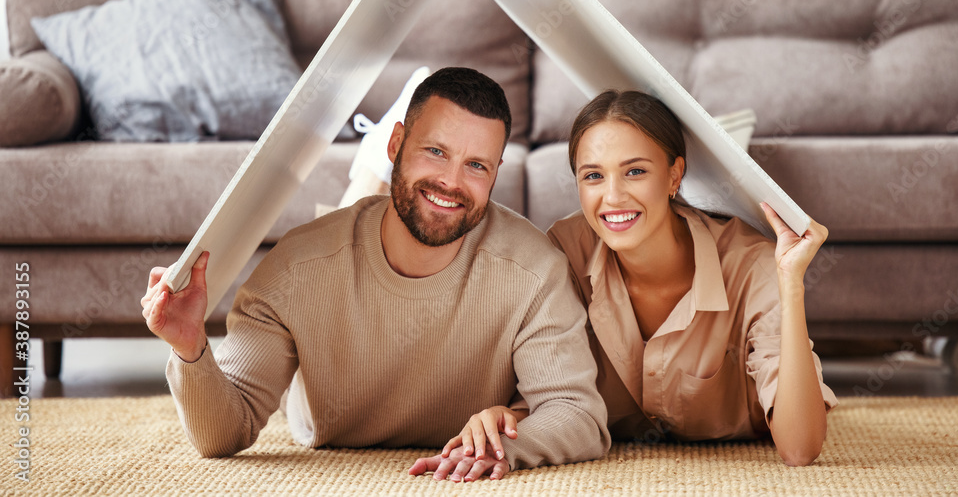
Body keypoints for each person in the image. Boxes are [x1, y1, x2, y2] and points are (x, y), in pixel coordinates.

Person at [141, 67, 610, 481]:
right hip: (319, 391)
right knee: (350, 222)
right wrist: (190, 348)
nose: (451, 180)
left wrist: (507, 446)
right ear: (397, 143)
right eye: (434, 150)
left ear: (496, 172)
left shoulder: (534, 269)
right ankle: (369, 168)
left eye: (476, 165)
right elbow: (224, 433)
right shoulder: (296, 268)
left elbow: (578, 414)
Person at [442, 89, 838, 467]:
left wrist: (791, 283)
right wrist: (505, 416)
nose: (612, 197)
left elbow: (800, 450)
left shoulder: (752, 266)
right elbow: (552, 386)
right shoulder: (564, 253)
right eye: (593, 176)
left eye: (634, 171)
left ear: (673, 175)